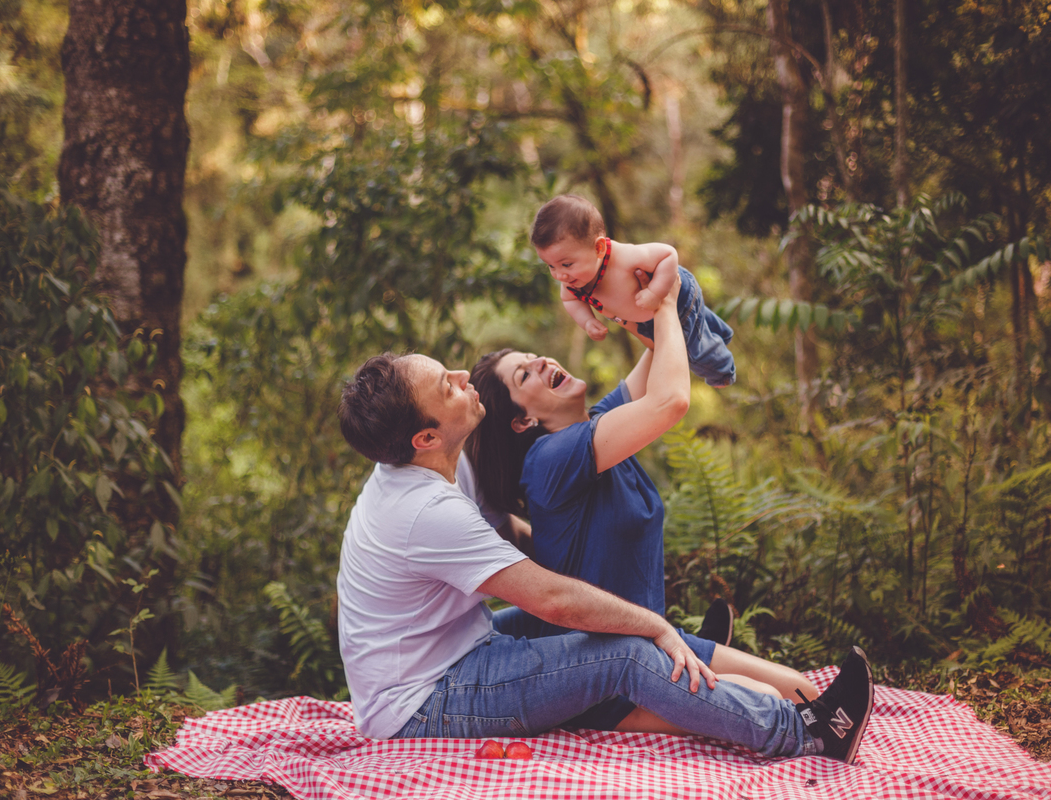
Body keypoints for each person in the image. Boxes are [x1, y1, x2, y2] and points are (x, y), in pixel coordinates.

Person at [333, 285, 876, 763]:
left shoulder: (442, 466)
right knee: (621, 651)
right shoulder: (426, 510)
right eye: (447, 388)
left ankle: (677, 682)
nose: (459, 375)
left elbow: (513, 544)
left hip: (453, 650)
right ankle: (806, 733)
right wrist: (653, 626)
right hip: (424, 704)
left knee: (595, 632)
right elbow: (552, 599)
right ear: (423, 437)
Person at [466, 271, 814, 733]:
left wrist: (625, 290)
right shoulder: (551, 459)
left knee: (804, 693)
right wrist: (667, 305)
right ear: (521, 420)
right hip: (608, 677)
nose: (541, 361)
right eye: (524, 373)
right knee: (770, 700)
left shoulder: (598, 424)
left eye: (533, 357)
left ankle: (704, 649)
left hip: (653, 639)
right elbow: (670, 400)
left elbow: (659, 349)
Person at [532, 193, 736, 388]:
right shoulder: (571, 282)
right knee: (696, 326)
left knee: (694, 351)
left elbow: (668, 255)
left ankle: (723, 373)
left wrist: (655, 292)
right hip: (646, 320)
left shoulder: (624, 257)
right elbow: (570, 301)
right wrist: (587, 321)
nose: (559, 275)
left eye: (566, 264)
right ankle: (722, 333)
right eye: (550, 266)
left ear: (599, 248)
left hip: (676, 296)